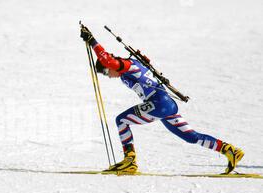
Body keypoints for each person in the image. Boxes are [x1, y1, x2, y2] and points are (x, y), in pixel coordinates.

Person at [80, 26, 244, 174]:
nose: (108, 76)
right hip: (166, 106)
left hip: (157, 104)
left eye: (106, 72)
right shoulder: (128, 68)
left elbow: (107, 60)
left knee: (121, 120)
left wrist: (92, 41)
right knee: (191, 137)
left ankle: (130, 160)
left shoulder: (127, 65)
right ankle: (230, 151)